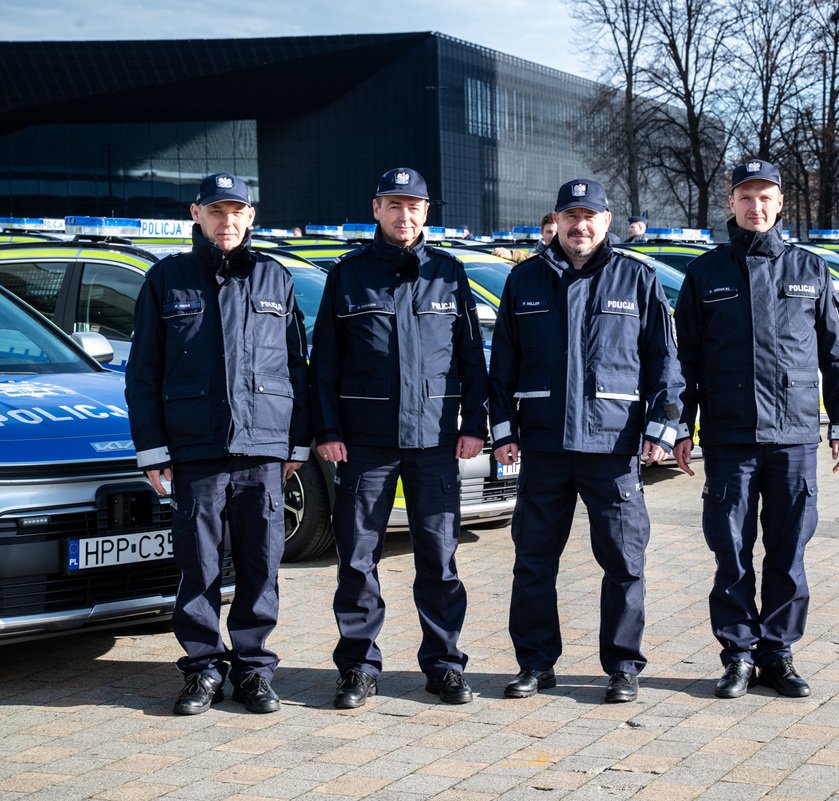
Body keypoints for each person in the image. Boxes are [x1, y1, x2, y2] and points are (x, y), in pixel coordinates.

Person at [672, 160, 839, 700]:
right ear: (731, 204)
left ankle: (777, 654)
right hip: (730, 438)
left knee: (788, 550)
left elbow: (837, 352)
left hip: (794, 437)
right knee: (730, 551)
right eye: (745, 197)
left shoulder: (810, 269)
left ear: (780, 204)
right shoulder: (705, 274)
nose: (755, 206)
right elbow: (684, 362)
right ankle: (737, 656)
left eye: (765, 197)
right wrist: (680, 426)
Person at [489, 178, 682, 703]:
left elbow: (665, 362)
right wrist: (503, 430)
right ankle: (535, 664)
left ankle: (622, 666)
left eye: (589, 216)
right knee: (533, 562)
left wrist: (662, 430)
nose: (580, 226)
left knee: (624, 562)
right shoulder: (525, 279)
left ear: (606, 221)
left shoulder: (636, 278)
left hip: (612, 449)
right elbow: (502, 363)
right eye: (571, 216)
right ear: (557, 221)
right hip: (544, 447)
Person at [125, 172, 310, 716]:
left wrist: (298, 442)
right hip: (196, 448)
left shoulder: (275, 277)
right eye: (215, 211)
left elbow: (296, 366)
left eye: (236, 212)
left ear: (251, 216)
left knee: (261, 564)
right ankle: (203, 667)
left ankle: (253, 669)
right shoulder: (167, 279)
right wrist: (152, 449)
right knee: (199, 564)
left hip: (263, 448)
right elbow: (143, 372)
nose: (226, 222)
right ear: (196, 214)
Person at [309, 167, 488, 708]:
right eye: (393, 204)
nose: (403, 215)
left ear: (426, 212)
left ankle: (444, 664)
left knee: (439, 558)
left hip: (435, 441)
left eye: (413, 206)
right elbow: (325, 363)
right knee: (357, 559)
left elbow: (470, 358)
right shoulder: (348, 275)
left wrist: (475, 425)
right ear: (376, 209)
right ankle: (358, 667)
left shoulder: (449, 274)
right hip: (365, 443)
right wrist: (327, 429)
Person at [492, 213, 556, 265]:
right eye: (549, 232)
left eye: (557, 232)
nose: (553, 236)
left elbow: (540, 259)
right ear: (541, 232)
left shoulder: (561, 255)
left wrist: (512, 255)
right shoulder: (532, 257)